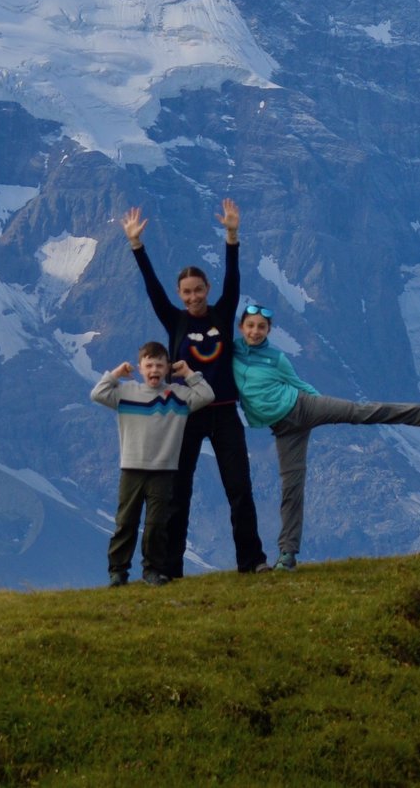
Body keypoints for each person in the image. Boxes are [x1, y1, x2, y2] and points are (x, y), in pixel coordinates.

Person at [232, 302, 420, 570]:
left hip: (303, 406)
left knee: (360, 411)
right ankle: (288, 555)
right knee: (291, 488)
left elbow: (298, 384)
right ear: (241, 328)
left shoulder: (276, 358)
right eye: (251, 326)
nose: (255, 331)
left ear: (268, 330)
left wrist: (323, 409)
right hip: (285, 431)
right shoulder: (233, 353)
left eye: (261, 327)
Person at [124, 199, 267, 574]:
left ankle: (252, 561)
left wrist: (232, 235)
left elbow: (234, 278)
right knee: (178, 493)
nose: (193, 297)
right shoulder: (174, 321)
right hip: (185, 415)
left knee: (239, 489)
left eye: (198, 290)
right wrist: (137, 246)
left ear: (207, 289)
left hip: (224, 414)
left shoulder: (223, 312)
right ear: (180, 294)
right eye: (186, 292)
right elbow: (152, 288)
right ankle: (170, 568)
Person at [89, 342, 213, 586]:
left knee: (157, 524)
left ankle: (153, 570)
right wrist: (116, 373)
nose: (154, 370)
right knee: (126, 521)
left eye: (159, 365)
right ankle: (118, 571)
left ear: (167, 368)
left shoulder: (178, 396)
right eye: (149, 365)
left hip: (163, 471)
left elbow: (207, 395)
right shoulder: (126, 392)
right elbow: (98, 393)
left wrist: (188, 373)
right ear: (140, 368)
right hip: (132, 469)